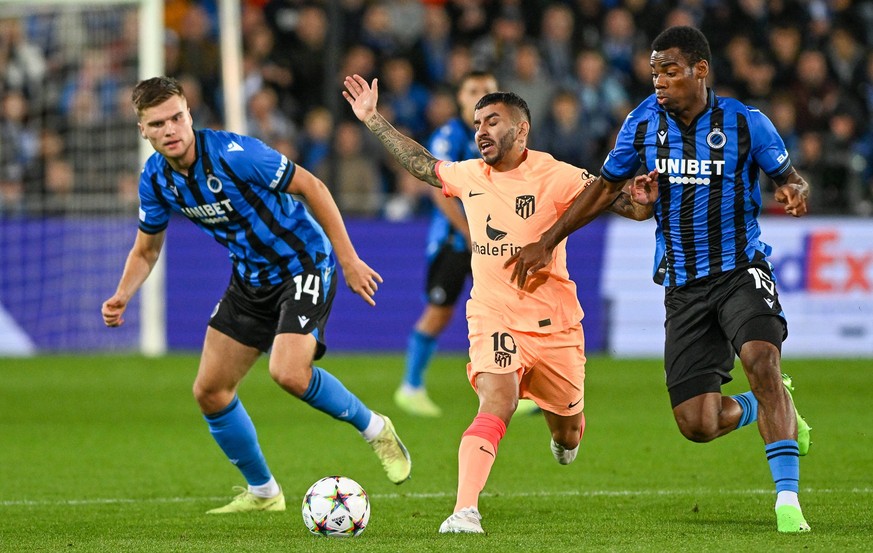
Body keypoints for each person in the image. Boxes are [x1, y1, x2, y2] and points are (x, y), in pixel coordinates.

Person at [505, 26, 813, 534]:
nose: (660, 81)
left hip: (741, 268)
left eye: (670, 70)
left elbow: (789, 177)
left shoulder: (746, 123)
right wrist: (549, 239)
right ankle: (768, 400)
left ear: (700, 70)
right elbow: (606, 187)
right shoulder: (642, 124)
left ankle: (787, 502)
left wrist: (794, 191)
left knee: (761, 357)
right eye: (654, 72)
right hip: (684, 284)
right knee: (698, 423)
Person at [343, 75, 647, 534]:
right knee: (496, 402)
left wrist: (641, 201)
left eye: (492, 122)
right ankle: (465, 510)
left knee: (569, 430)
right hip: (493, 315)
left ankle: (564, 434)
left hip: (555, 324)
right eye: (477, 123)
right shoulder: (469, 175)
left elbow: (624, 204)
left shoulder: (556, 175)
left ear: (521, 130)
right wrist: (372, 119)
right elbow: (422, 164)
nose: (481, 131)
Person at [102, 76, 411, 514]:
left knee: (287, 372)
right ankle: (265, 493)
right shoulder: (155, 179)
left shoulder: (236, 154)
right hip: (250, 279)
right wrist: (122, 294)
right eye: (158, 124)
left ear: (190, 115)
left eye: (177, 118)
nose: (170, 130)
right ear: (143, 131)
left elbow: (313, 187)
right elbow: (146, 249)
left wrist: (349, 259)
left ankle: (376, 428)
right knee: (210, 390)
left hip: (303, 263)